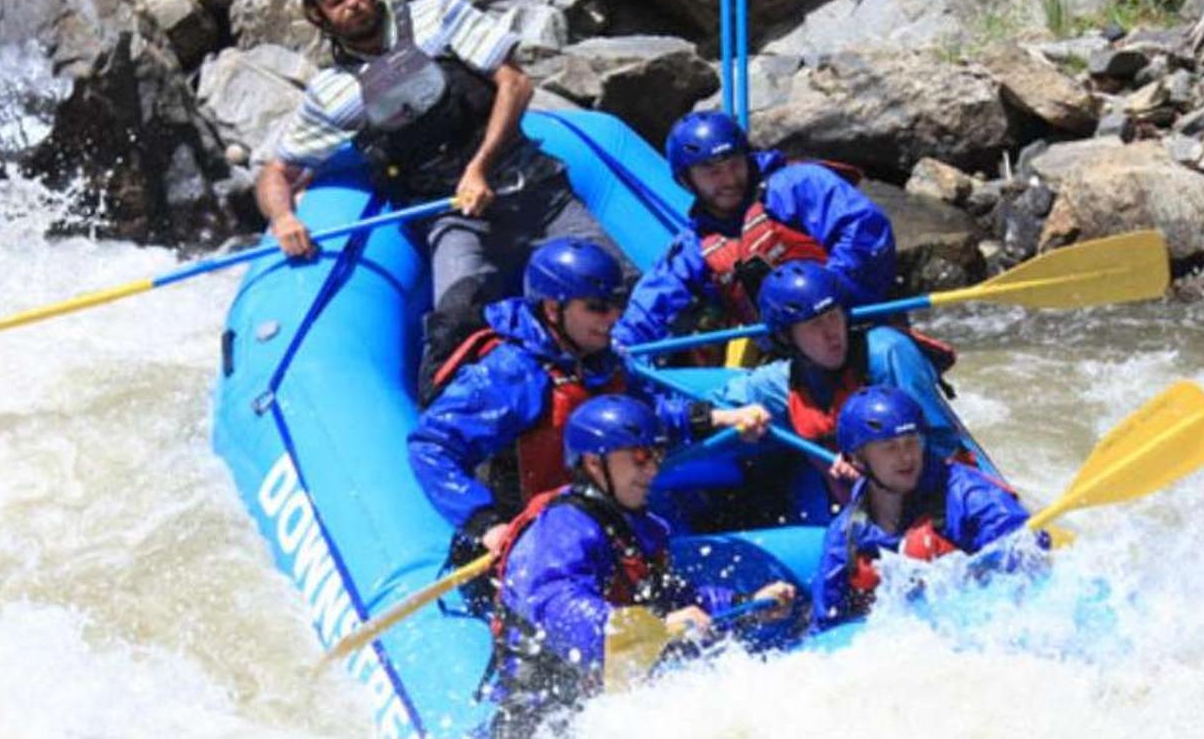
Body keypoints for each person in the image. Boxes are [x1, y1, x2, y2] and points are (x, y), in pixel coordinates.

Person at [255, 0, 622, 387]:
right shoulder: (333, 94)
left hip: (532, 187)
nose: (354, 1)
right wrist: (283, 218)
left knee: (618, 284)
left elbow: (515, 84)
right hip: (453, 217)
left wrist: (479, 168)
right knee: (454, 328)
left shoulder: (438, 16)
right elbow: (277, 172)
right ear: (319, 16)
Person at [409, 238, 772, 570]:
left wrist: (716, 418)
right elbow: (431, 446)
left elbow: (643, 415)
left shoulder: (601, 358)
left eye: (616, 305)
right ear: (553, 309)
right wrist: (487, 524)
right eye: (597, 307)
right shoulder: (511, 373)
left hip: (600, 518)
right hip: (534, 542)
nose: (613, 319)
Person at [490, 397, 795, 734]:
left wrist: (746, 605)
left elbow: (675, 599)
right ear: (594, 462)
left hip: (602, 705)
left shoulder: (639, 528)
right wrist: (650, 628)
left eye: (656, 456)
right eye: (639, 457)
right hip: (539, 716)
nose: (652, 470)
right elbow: (559, 606)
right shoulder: (564, 526)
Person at [610, 110, 895, 353]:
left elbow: (866, 230)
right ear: (686, 181)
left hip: (857, 327)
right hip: (788, 360)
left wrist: (827, 297)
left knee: (887, 349)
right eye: (711, 171)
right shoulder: (695, 246)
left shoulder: (796, 185)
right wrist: (618, 345)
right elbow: (653, 302)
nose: (729, 179)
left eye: (734, 163)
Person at [708, 260, 970, 493]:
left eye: (833, 316)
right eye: (814, 324)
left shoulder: (887, 353)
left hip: (938, 490)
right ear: (786, 337)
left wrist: (871, 470)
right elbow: (708, 407)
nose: (831, 333)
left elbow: (942, 446)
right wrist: (716, 418)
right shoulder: (779, 383)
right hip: (860, 504)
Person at [810, 386, 1043, 629]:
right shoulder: (845, 534)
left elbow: (1030, 551)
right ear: (858, 459)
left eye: (912, 442)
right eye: (890, 447)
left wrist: (976, 573)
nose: (906, 457)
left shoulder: (970, 494)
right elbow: (826, 625)